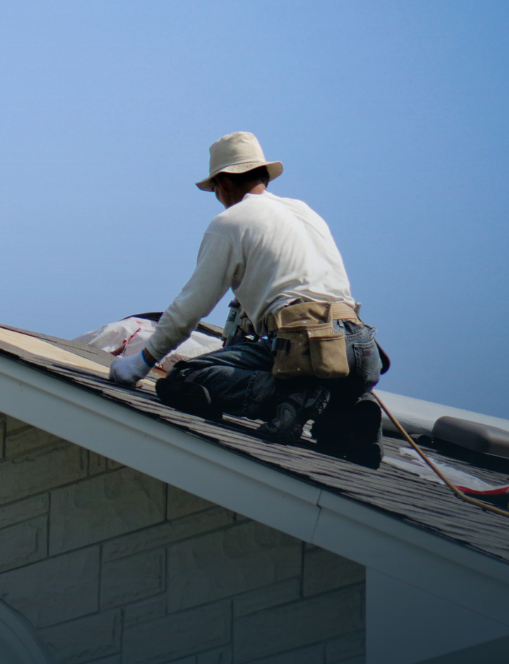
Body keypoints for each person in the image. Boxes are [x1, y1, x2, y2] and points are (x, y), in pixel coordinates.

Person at [108, 132, 385, 466]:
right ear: (263, 175)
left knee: (184, 379)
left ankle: (288, 396)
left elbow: (189, 309)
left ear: (224, 184)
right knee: (330, 432)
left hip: (302, 346)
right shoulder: (305, 212)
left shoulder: (230, 222)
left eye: (215, 191)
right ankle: (348, 409)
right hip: (359, 348)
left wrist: (140, 364)